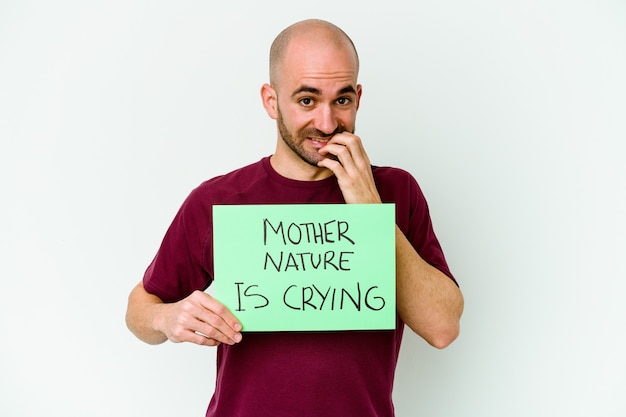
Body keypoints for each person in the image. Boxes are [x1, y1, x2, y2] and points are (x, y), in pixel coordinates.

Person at [126, 18, 464, 417]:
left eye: (341, 100)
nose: (326, 123)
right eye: (307, 100)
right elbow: (139, 310)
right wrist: (168, 317)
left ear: (358, 96)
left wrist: (369, 211)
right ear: (271, 101)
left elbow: (443, 327)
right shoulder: (218, 201)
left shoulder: (396, 192)